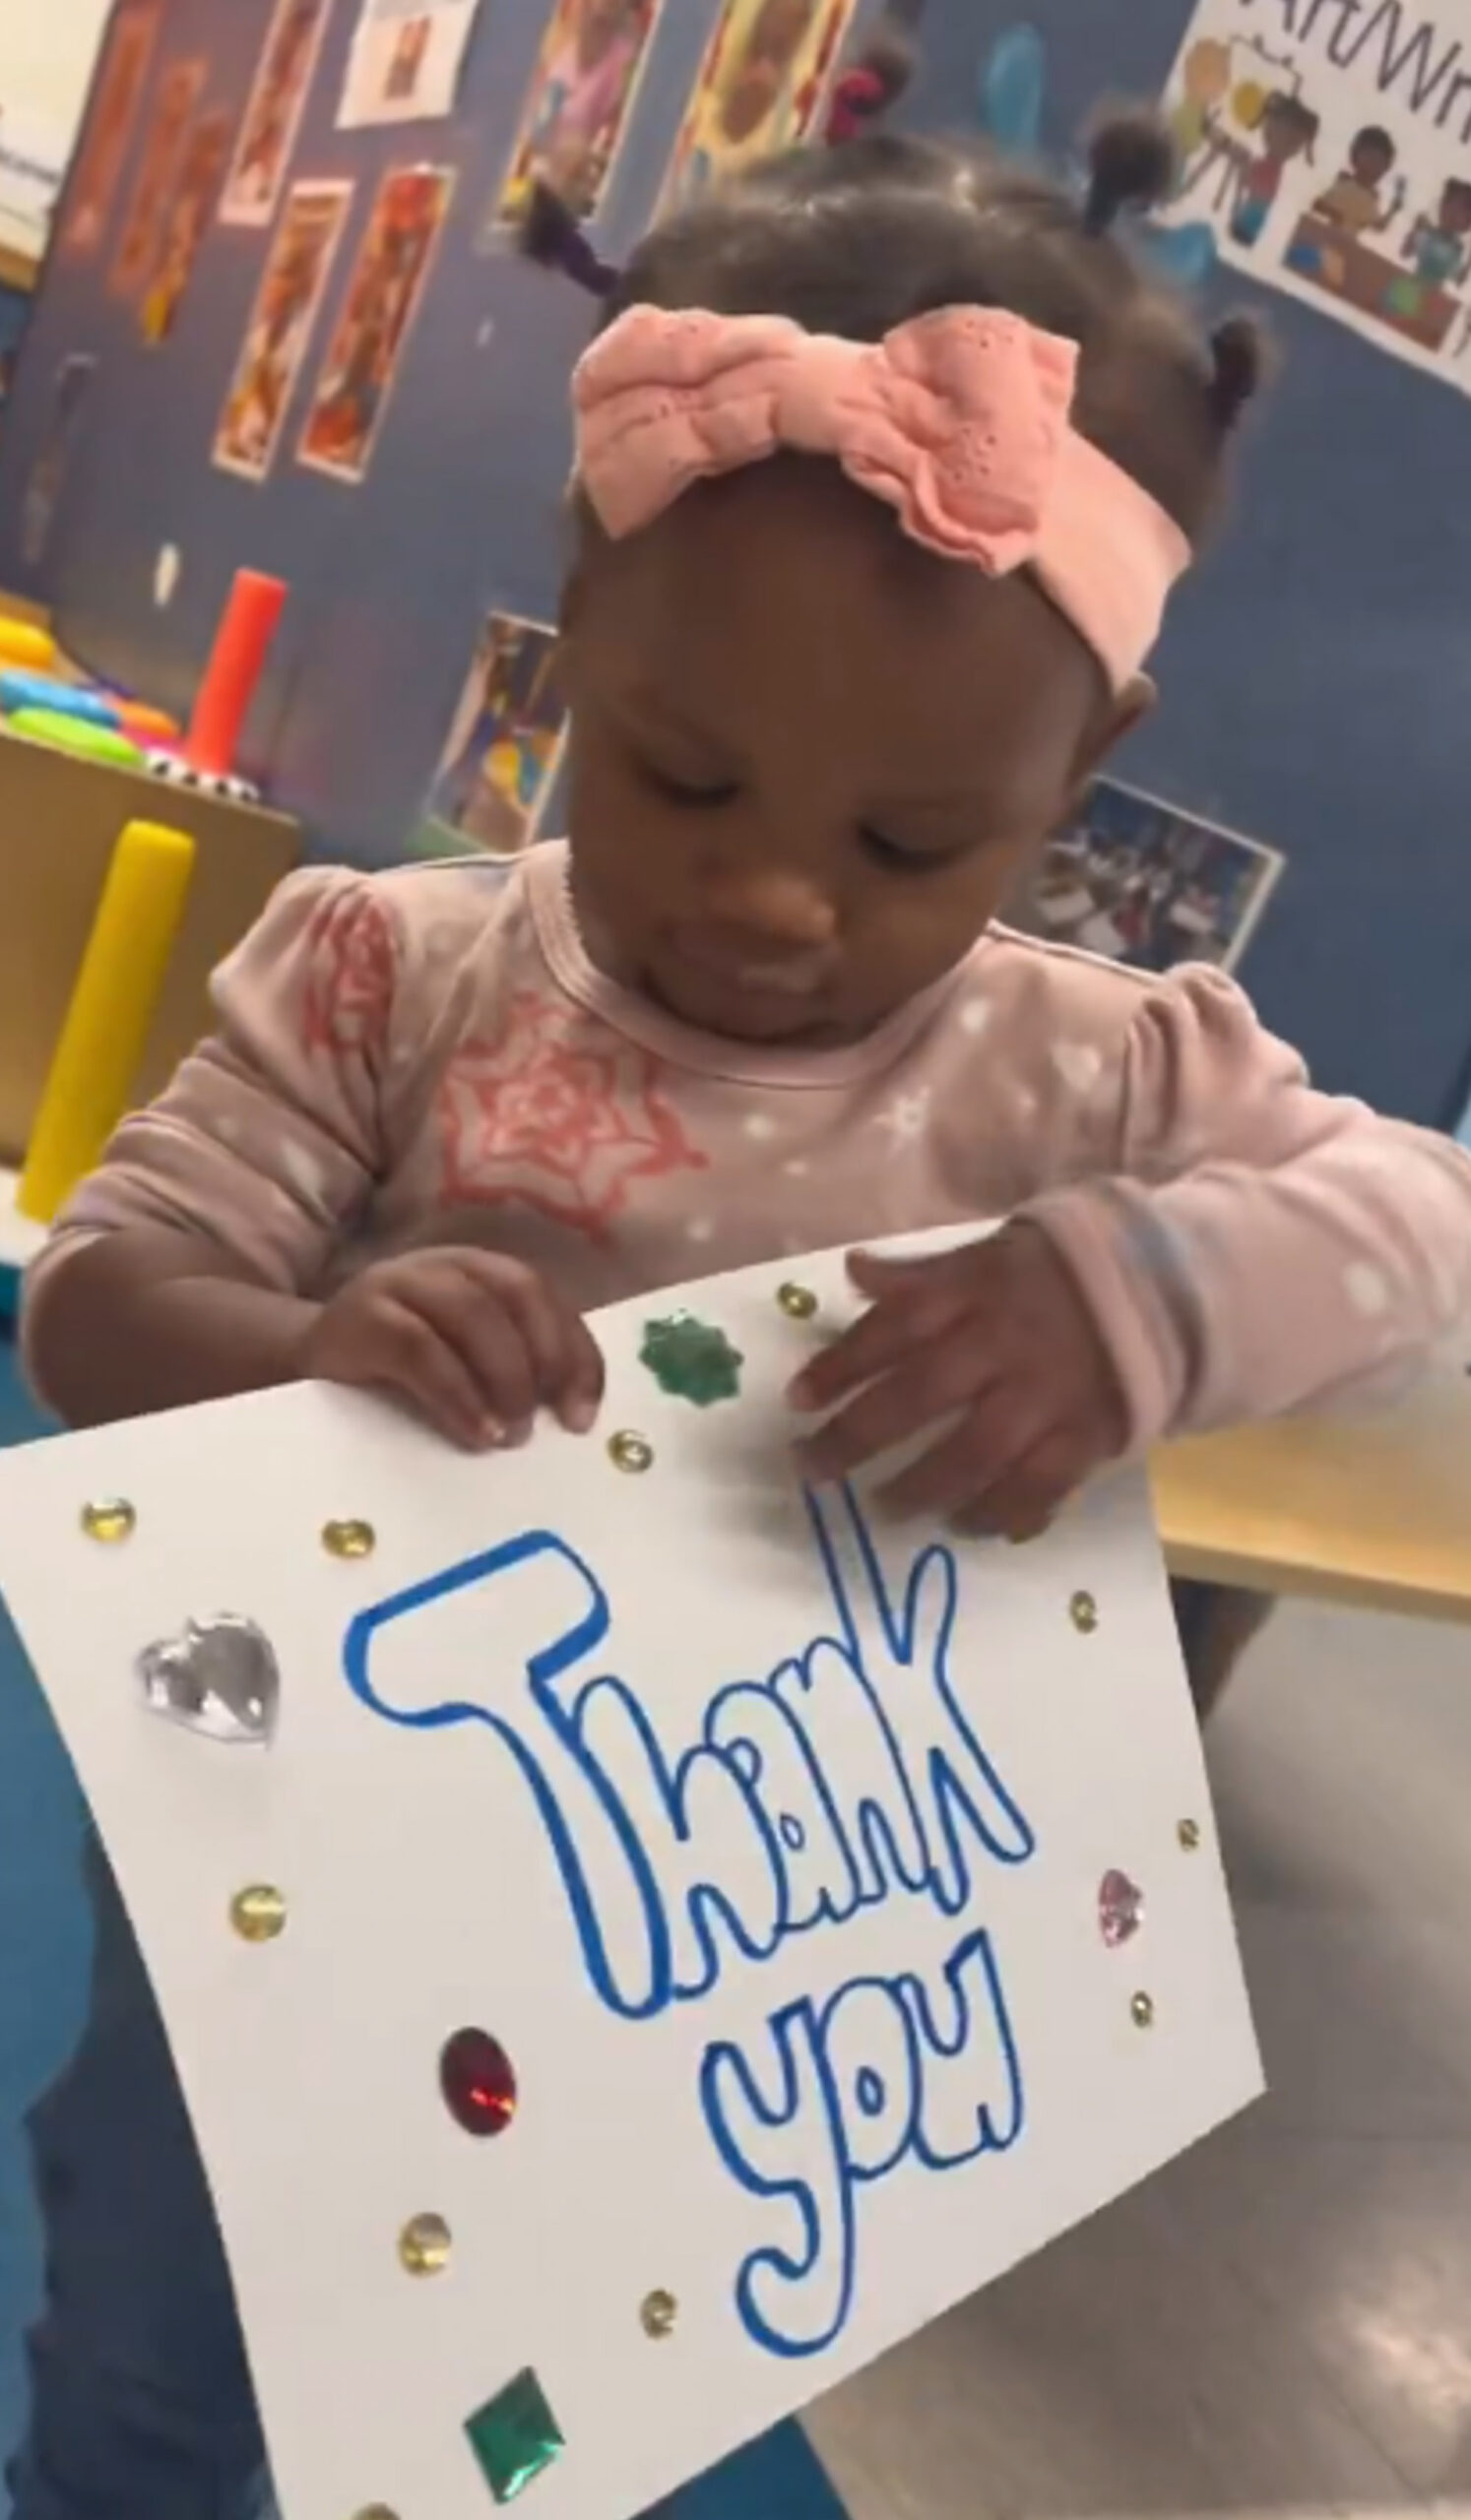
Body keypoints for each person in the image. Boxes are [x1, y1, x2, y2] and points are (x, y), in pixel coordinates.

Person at [15, 113, 1471, 2520]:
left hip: (726, 1973)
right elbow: (89, 1301)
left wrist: (1142, 1291)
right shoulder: (398, 967)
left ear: (1080, 764)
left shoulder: (1093, 1063)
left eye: (913, 841)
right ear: (579, 632)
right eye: (680, 778)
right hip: (309, 1876)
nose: (779, 898)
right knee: (172, 2347)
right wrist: (301, 1349)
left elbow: (1422, 1222)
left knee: (595, 2389)